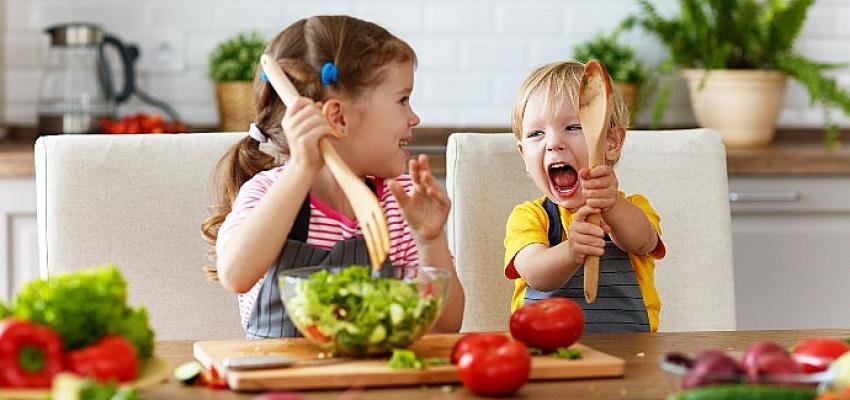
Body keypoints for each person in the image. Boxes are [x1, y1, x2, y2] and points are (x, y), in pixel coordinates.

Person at [201, 15, 464, 339]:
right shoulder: (268, 191)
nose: (414, 117)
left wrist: (430, 239)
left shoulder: (402, 201)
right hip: (286, 382)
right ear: (338, 117)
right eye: (402, 99)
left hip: (374, 379)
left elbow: (446, 326)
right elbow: (235, 275)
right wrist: (300, 169)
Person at [504, 61, 666, 332]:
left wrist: (611, 203)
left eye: (573, 127)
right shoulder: (529, 216)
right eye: (536, 133)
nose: (554, 142)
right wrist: (571, 251)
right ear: (523, 154)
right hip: (546, 351)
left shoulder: (633, 208)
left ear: (611, 142)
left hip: (631, 350)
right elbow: (534, 272)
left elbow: (641, 241)